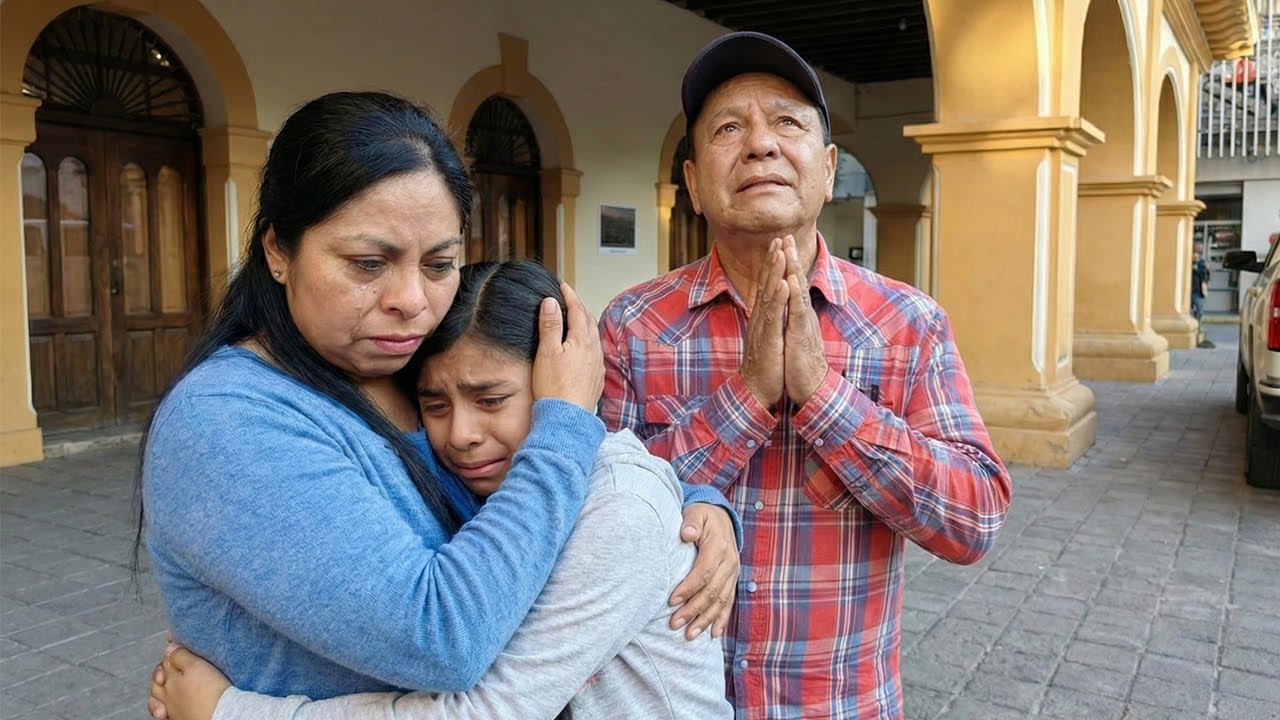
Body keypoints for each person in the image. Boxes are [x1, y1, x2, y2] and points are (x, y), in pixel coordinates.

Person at [140, 91, 738, 708]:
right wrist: (565, 425)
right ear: (278, 251)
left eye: (439, 263)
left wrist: (684, 504)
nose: (411, 300)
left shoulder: (398, 363)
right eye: (367, 263)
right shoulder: (225, 420)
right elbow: (442, 637)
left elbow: (524, 496)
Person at [598, 32, 1013, 719]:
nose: (760, 145)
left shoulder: (908, 324)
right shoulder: (631, 326)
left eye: (787, 122)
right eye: (728, 128)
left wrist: (826, 398)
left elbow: (974, 520)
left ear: (827, 169)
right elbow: (597, 530)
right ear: (694, 183)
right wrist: (748, 397)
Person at [1191, 240, 1214, 348]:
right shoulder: (1188, 260)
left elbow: (1206, 276)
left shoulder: (1202, 262)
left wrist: (1197, 269)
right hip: (1190, 290)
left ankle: (1197, 330)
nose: (1199, 248)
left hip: (1199, 291)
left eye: (1200, 246)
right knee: (1191, 311)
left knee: (1199, 312)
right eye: (1197, 246)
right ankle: (1194, 331)